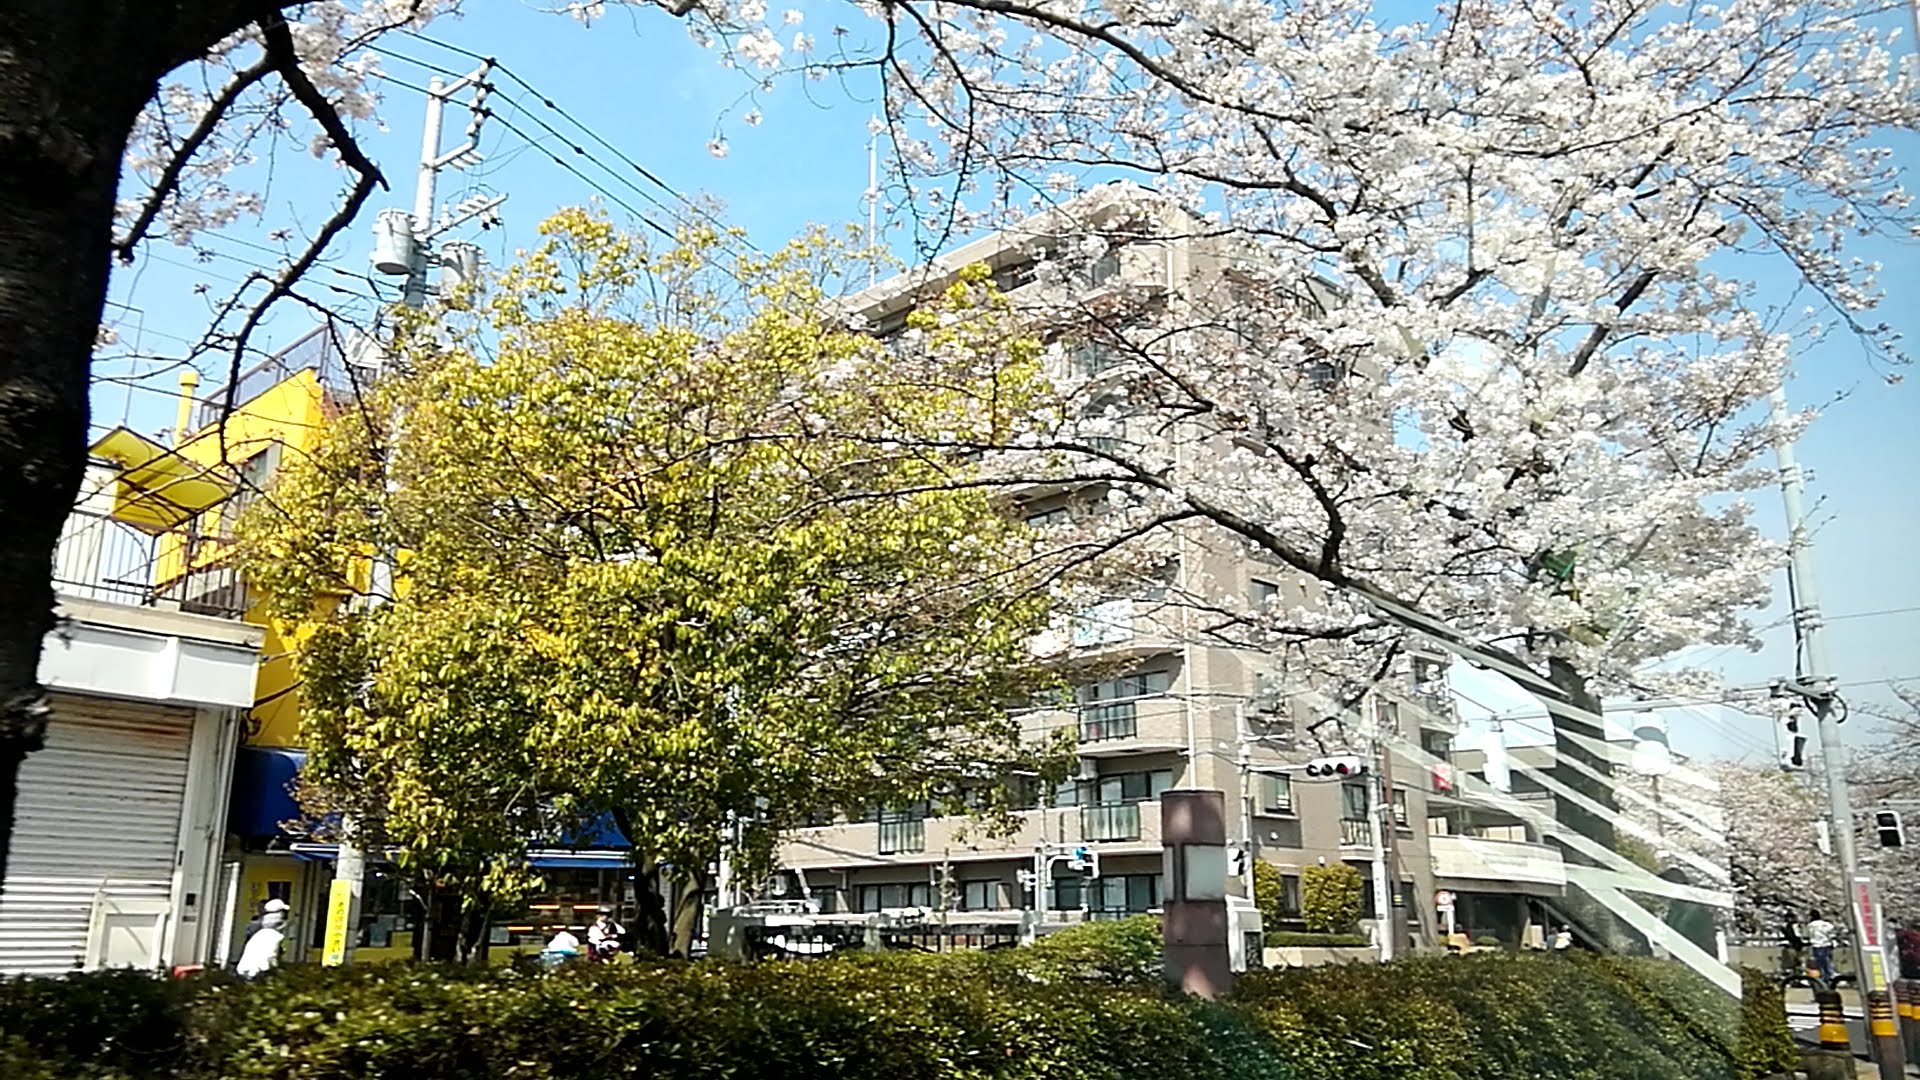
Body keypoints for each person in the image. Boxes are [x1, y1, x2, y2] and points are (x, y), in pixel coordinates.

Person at [235, 898, 289, 978]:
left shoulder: (259, 934)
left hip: (245, 973)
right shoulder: (274, 936)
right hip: (259, 975)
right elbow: (271, 959)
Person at [1805, 909, 1839, 986]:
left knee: (1820, 963)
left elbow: (1808, 935)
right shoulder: (1827, 924)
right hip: (1826, 944)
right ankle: (1830, 976)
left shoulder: (1811, 925)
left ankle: (1823, 978)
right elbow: (1832, 933)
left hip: (1816, 945)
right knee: (1827, 961)